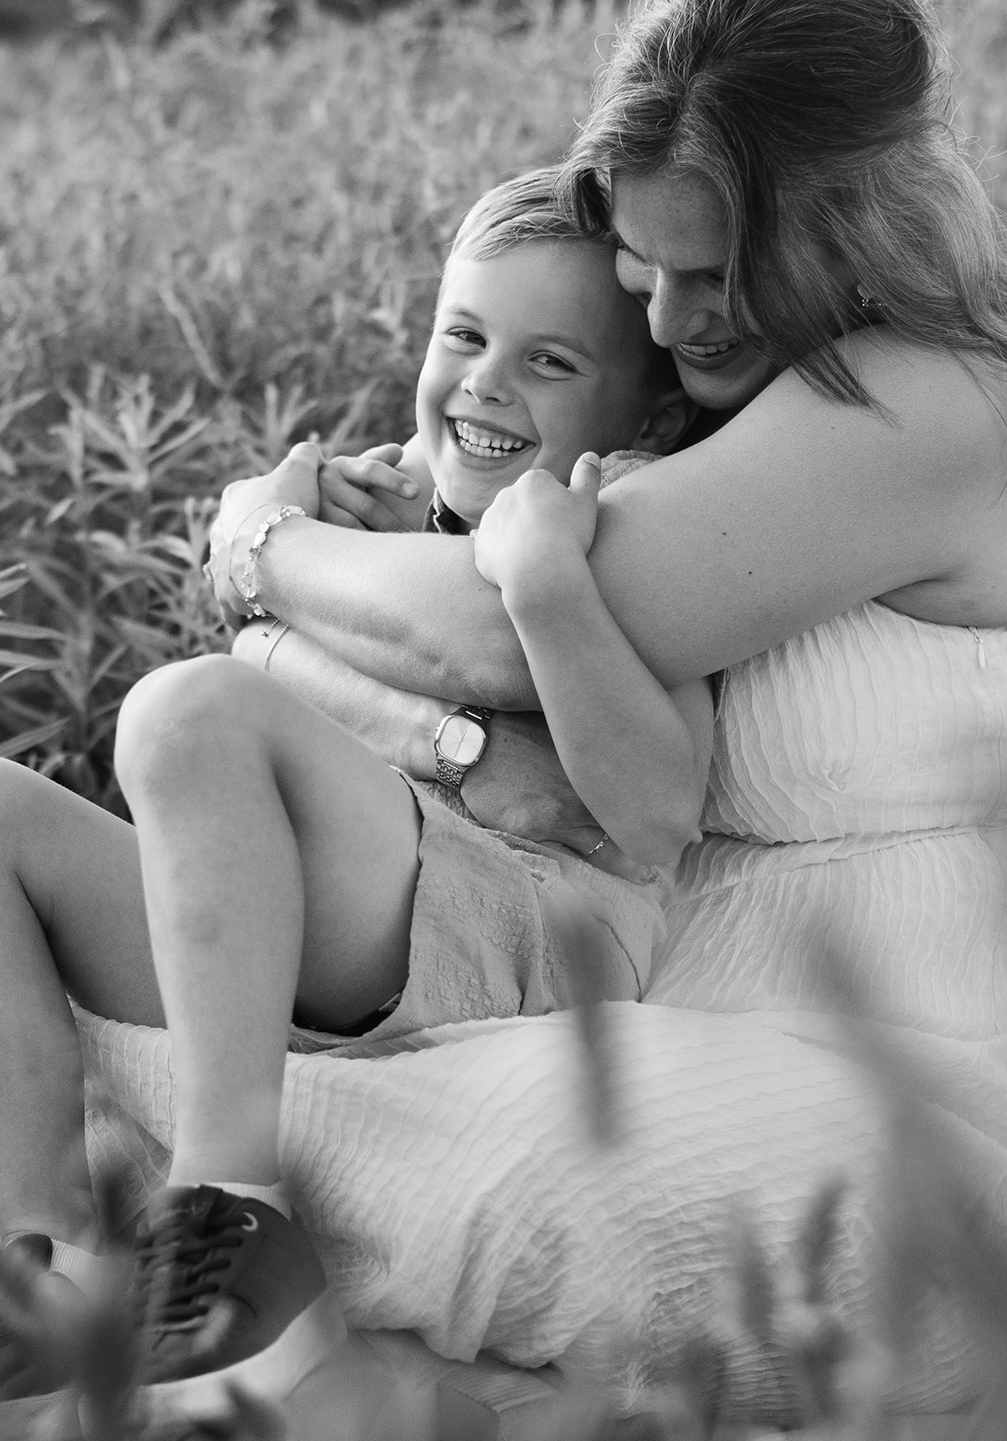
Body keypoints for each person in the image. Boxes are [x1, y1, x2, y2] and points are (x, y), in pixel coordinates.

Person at [17, 0, 1007, 1426]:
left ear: (859, 214)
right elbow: (466, 596)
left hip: (916, 1072)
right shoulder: (700, 412)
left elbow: (482, 622)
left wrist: (255, 539)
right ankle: (115, 1257)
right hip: (651, 990)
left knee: (372, 1147)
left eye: (715, 272)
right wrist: (352, 628)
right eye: (643, 273)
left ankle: (220, 1264)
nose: (672, 321)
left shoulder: (918, 401)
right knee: (123, 1025)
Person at [0, 171, 711, 1423]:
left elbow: (661, 802)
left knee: (187, 709)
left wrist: (286, 581)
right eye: (464, 335)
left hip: (521, 927)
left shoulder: (628, 532)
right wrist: (355, 567)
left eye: (551, 361)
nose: (486, 385)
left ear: (638, 416)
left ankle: (229, 1211)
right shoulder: (392, 522)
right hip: (354, 918)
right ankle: (42, 1251)